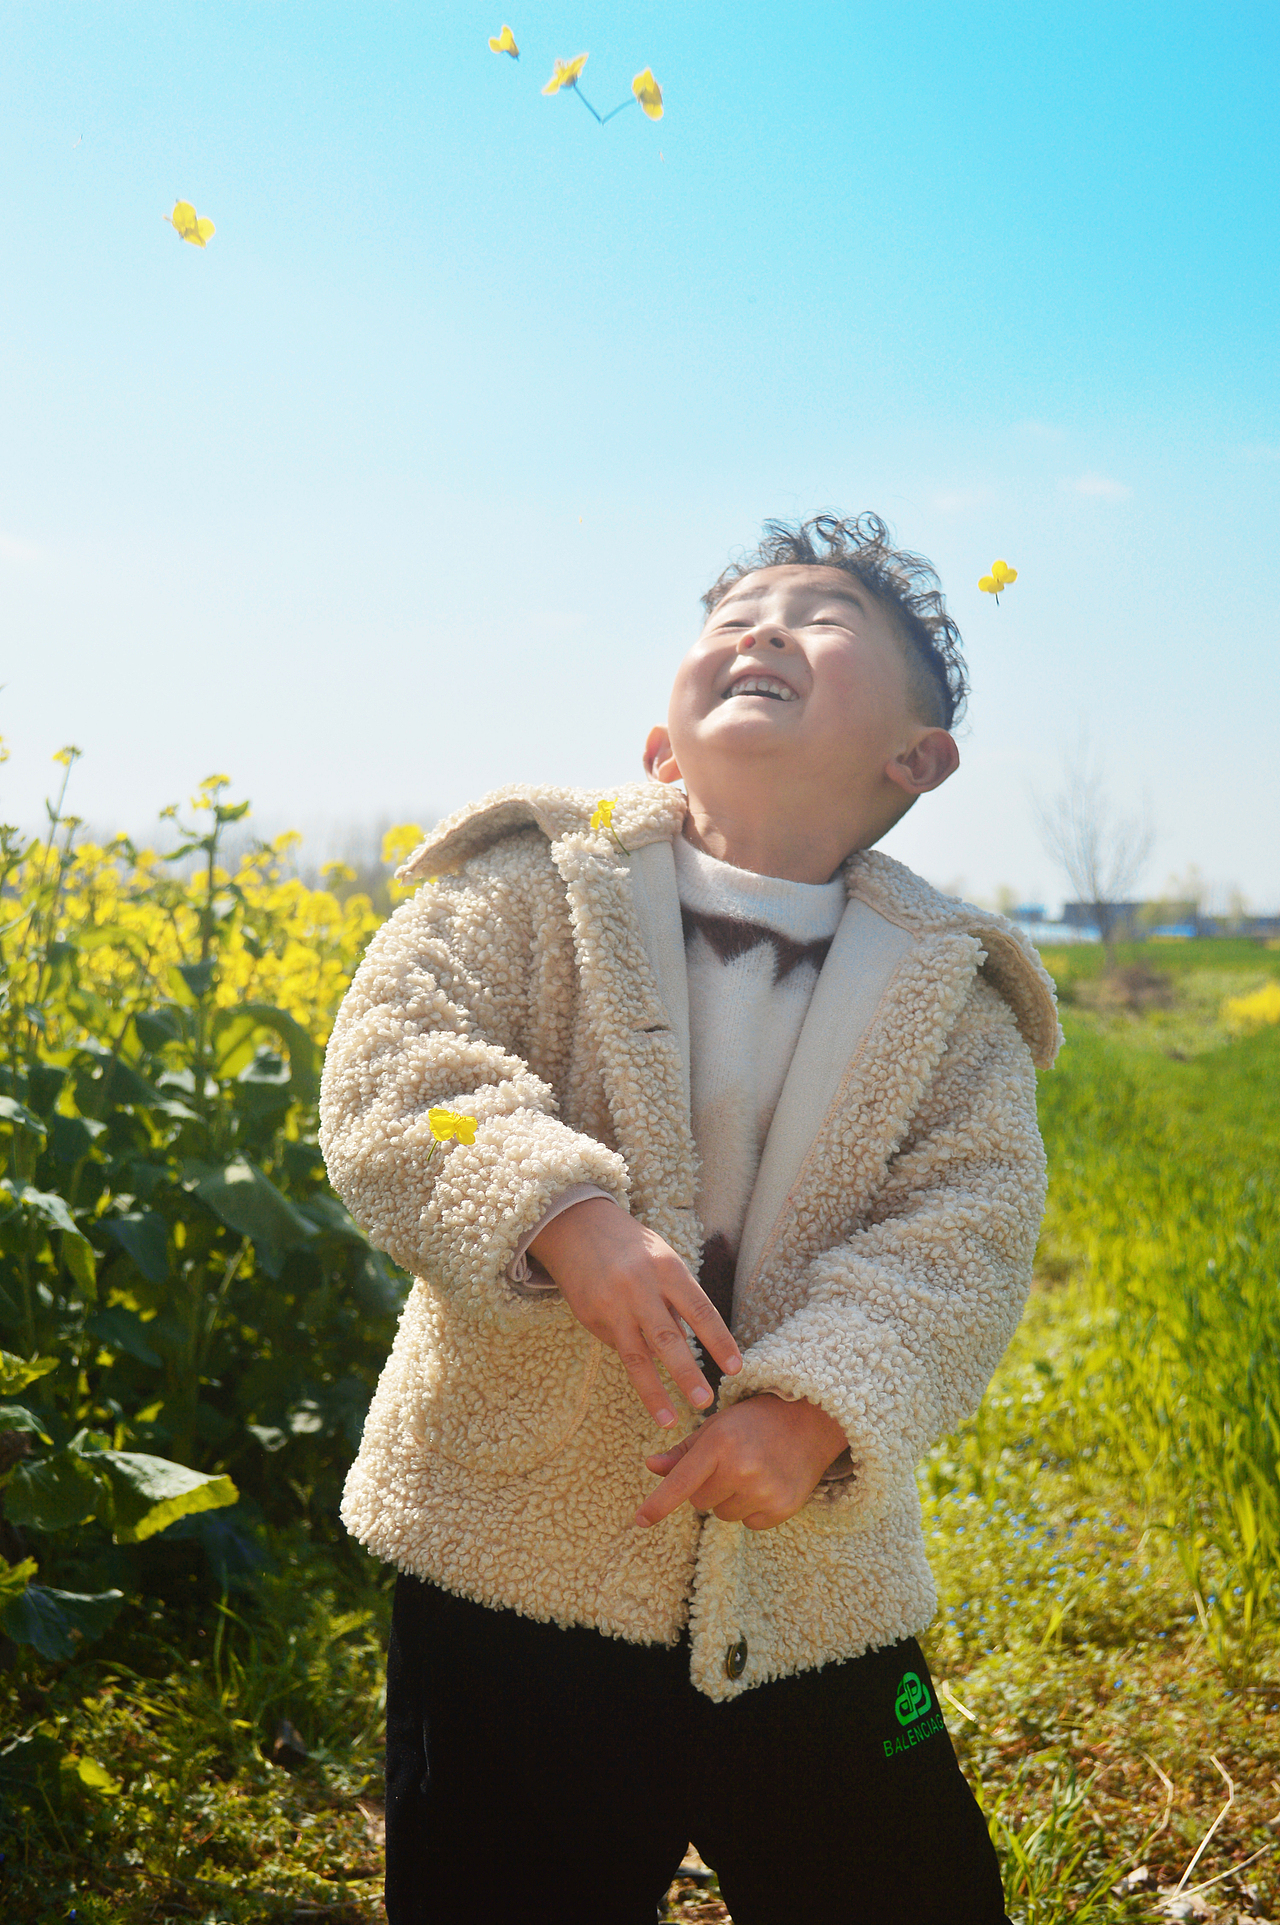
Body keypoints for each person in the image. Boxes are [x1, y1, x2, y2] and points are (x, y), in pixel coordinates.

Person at [319, 512, 1060, 1925]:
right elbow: (401, 1067)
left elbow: (956, 1238)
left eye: (824, 617)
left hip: (808, 1581)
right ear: (663, 739)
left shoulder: (953, 996)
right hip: (508, 1555)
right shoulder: (529, 879)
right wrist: (562, 1209)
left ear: (917, 758)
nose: (764, 628)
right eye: (736, 611)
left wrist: (817, 1409)